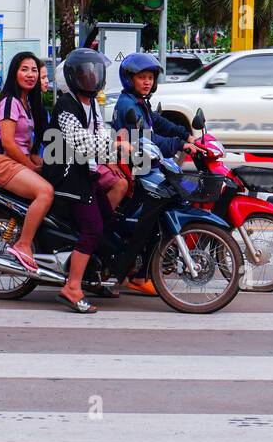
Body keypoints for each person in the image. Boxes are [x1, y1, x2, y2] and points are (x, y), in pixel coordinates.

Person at [43, 48, 125, 314]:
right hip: (68, 176)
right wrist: (116, 147)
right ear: (73, 76)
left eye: (94, 72)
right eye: (85, 73)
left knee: (107, 221)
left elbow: (103, 133)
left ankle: (92, 275)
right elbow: (82, 143)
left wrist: (117, 145)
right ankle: (72, 287)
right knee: (92, 228)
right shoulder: (67, 105)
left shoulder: (91, 105)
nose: (91, 77)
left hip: (85, 173)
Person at [113, 53, 197, 295]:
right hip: (138, 170)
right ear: (130, 79)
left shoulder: (140, 102)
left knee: (180, 194)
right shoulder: (128, 105)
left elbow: (158, 123)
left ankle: (145, 269)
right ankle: (137, 273)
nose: (147, 82)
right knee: (154, 217)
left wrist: (186, 135)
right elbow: (148, 139)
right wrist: (180, 145)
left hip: (147, 165)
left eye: (150, 77)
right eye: (142, 77)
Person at [0, 52, 52, 273]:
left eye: (34, 71)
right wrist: (31, 167)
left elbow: (27, 148)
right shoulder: (9, 102)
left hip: (15, 160)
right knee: (45, 192)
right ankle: (22, 244)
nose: (30, 75)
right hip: (2, 161)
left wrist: (48, 164)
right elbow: (9, 143)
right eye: (24, 69)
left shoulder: (27, 104)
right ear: (14, 72)